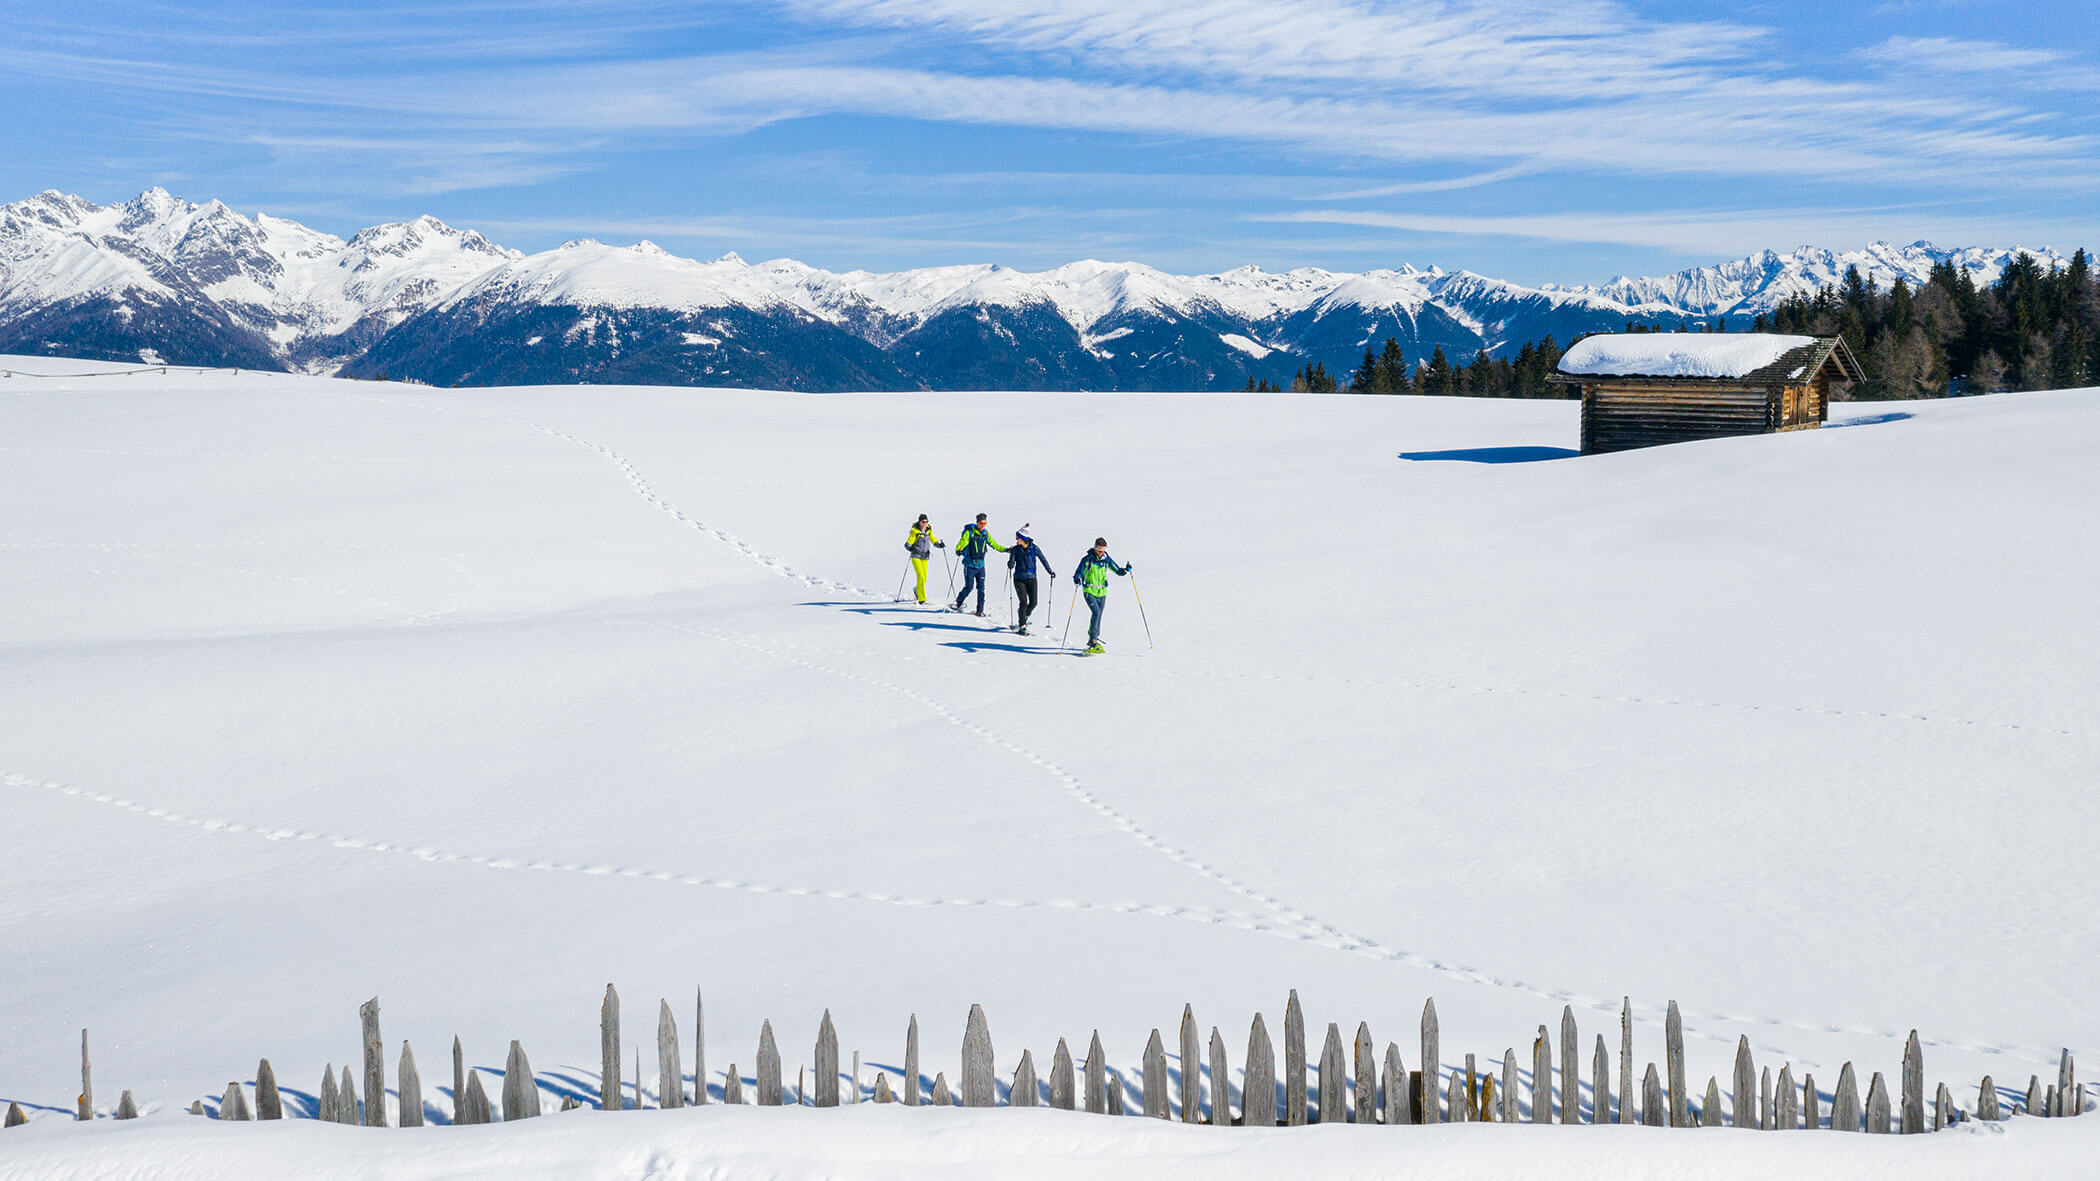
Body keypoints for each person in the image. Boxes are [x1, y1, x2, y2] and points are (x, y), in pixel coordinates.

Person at [1071, 537, 1130, 654]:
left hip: (1102, 592)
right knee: (1096, 613)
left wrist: (1125, 570)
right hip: (1089, 590)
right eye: (1099, 550)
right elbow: (1077, 573)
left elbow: (1117, 570)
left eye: (1103, 551)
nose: (1101, 553)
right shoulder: (1087, 560)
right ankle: (1093, 640)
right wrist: (1077, 579)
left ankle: (1094, 639)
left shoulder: (1106, 559)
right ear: (1094, 548)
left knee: (1099, 615)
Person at [952, 512, 1007, 616]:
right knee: (969, 587)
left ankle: (979, 611)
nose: (983, 525)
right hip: (970, 565)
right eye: (981, 523)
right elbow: (963, 542)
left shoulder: (985, 534)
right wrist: (959, 549)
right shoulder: (969, 533)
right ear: (977, 523)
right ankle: (958, 603)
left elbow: (994, 544)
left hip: (980, 566)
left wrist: (1006, 550)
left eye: (985, 523)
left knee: (981, 589)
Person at [1004, 525, 1056, 635]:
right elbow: (1012, 562)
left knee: (1034, 603)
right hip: (1019, 579)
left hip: (1032, 579)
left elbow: (1043, 559)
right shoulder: (1015, 550)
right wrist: (1010, 564)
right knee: (1023, 601)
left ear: (1023, 539)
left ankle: (1024, 616)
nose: (1016, 540)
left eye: (1018, 538)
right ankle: (1022, 625)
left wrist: (1050, 571)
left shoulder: (1034, 548)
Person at [903, 514, 944, 605]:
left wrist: (939, 545)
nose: (925, 523)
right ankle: (922, 599)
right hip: (916, 556)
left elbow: (932, 539)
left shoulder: (929, 530)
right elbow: (907, 544)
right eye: (923, 522)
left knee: (924, 577)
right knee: (920, 576)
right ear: (919, 522)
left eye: (926, 521)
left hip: (925, 556)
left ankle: (917, 590)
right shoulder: (915, 532)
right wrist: (911, 548)